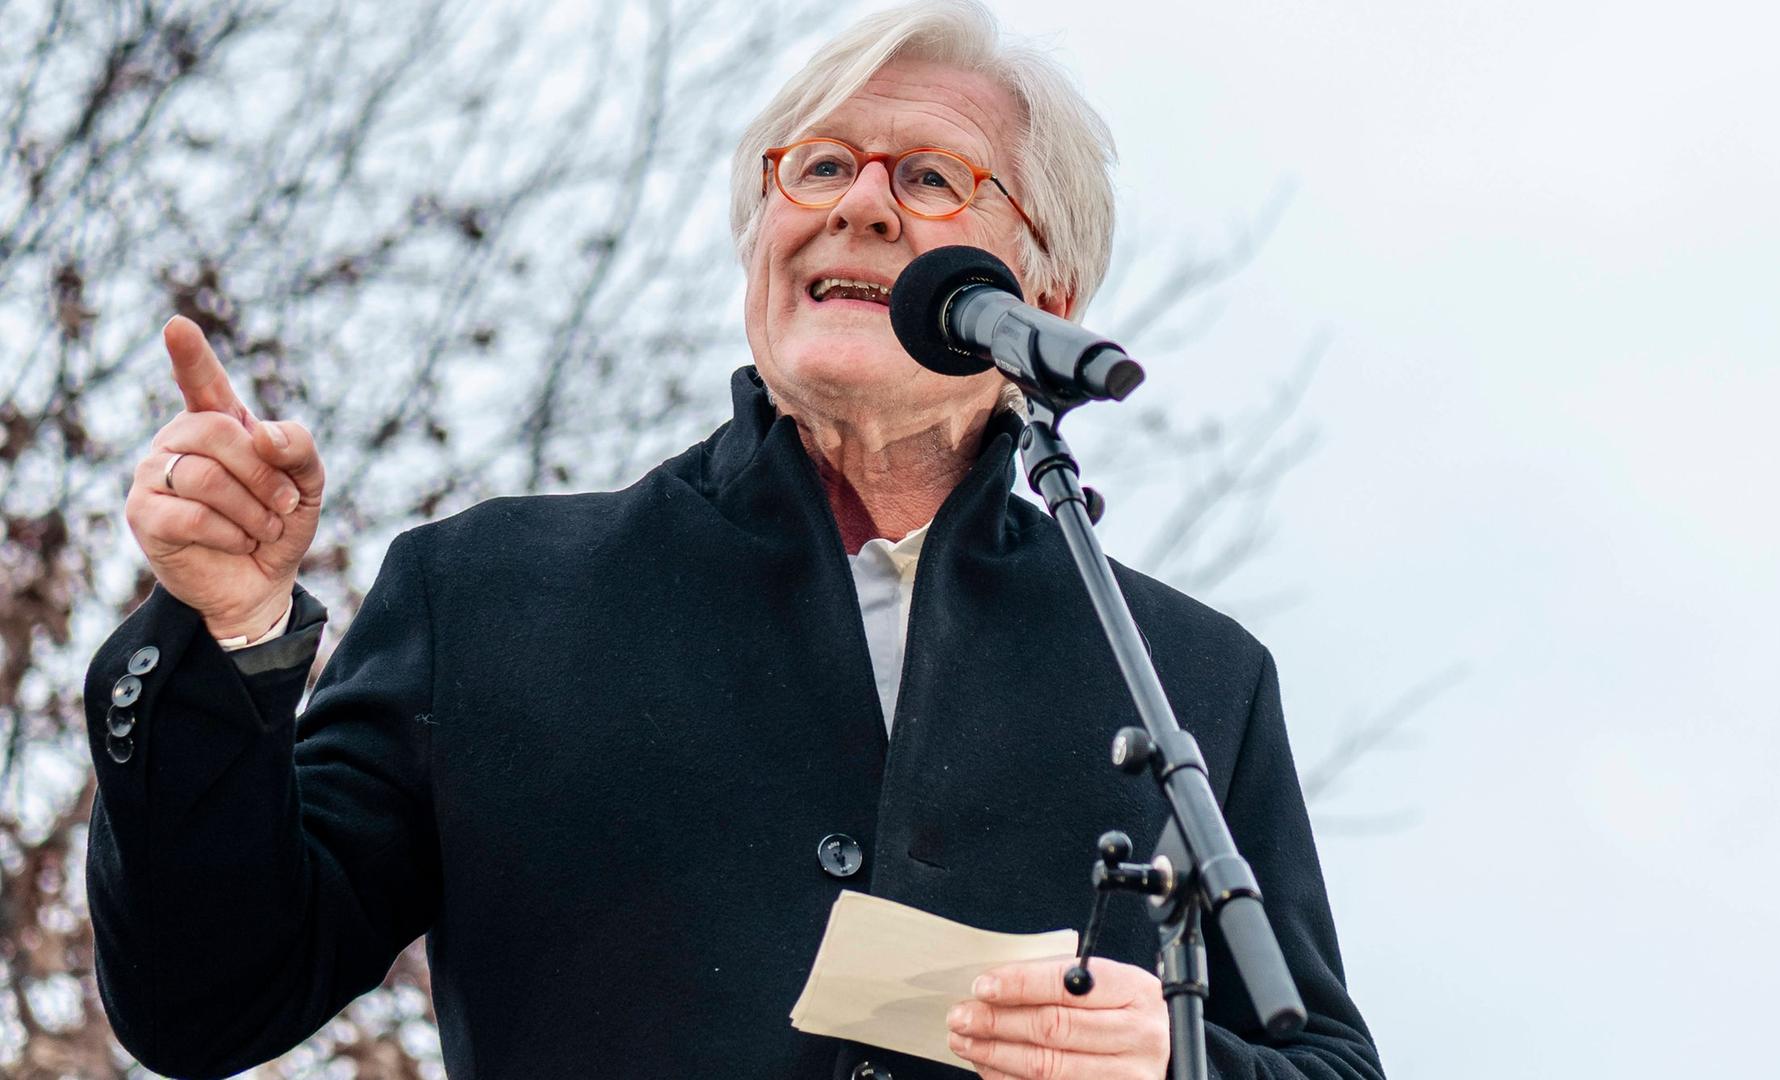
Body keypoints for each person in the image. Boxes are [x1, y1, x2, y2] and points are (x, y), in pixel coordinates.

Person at [83, 2, 1384, 1078]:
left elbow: (1321, 1059)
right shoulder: (487, 594)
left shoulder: (1193, 677)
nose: (861, 204)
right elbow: (208, 1001)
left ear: (1042, 295)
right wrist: (229, 633)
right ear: (762, 244)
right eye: (818, 167)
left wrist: (1165, 1057)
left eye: (929, 177)